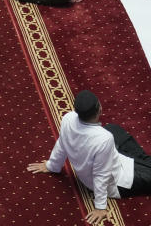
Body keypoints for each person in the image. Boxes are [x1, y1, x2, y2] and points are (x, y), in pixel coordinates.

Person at [28, 90, 151, 225]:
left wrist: (51, 165)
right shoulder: (104, 139)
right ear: (99, 110)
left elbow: (62, 143)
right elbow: (101, 175)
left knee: (113, 128)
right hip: (117, 181)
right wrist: (100, 207)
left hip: (99, 160)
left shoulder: (68, 118)